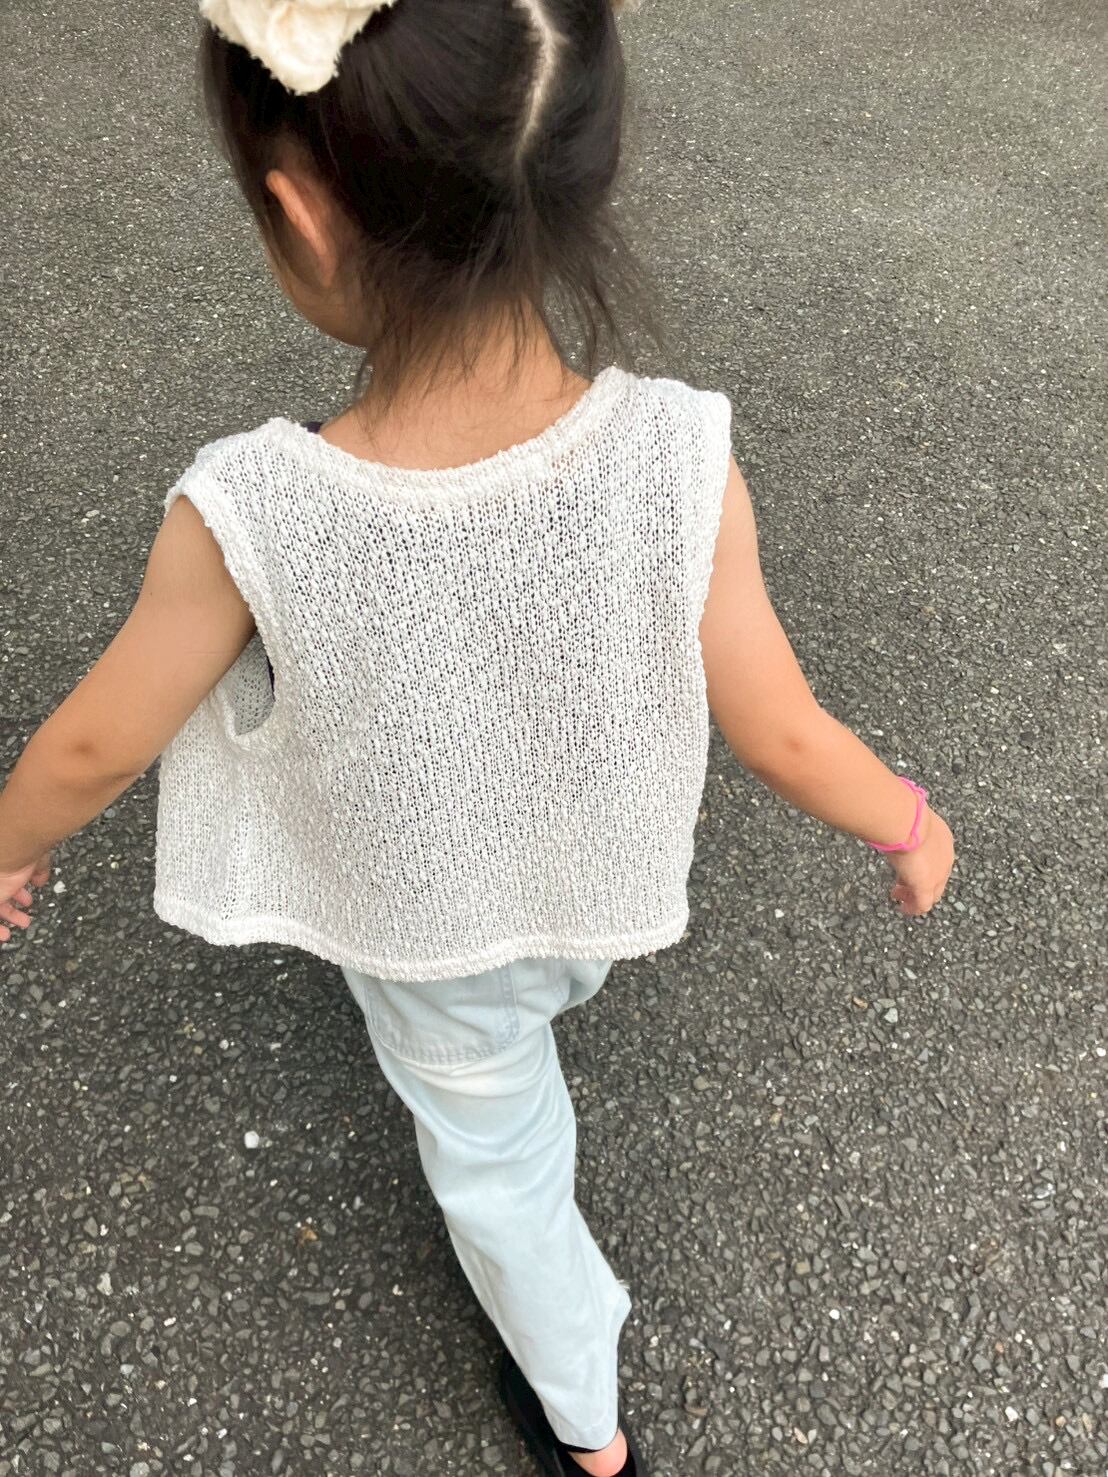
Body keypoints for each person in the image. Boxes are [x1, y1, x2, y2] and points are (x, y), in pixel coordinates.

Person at [0, 0, 956, 1472]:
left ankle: (586, 1422)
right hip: (590, 891)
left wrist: (7, 847)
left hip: (438, 937)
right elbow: (779, 728)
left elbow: (91, 751)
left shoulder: (251, 509)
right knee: (529, 1021)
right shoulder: (681, 452)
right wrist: (906, 818)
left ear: (301, 216)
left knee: (502, 1169)